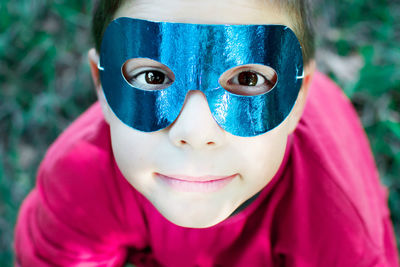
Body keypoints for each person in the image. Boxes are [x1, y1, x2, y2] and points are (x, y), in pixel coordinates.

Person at [14, 0, 399, 266]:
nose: (195, 132)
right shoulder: (80, 179)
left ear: (299, 97)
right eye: (154, 77)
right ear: (101, 84)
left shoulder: (342, 232)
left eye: (247, 79)